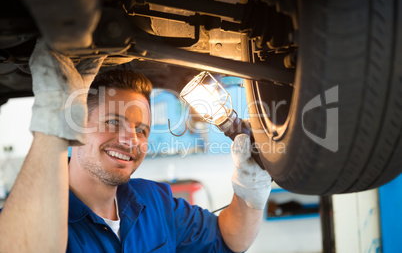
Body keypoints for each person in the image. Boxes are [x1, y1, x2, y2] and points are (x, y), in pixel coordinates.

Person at [0, 40, 271, 252]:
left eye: (141, 130)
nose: (130, 140)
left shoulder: (153, 202)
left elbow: (229, 239)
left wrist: (251, 190)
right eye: (113, 122)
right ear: (76, 123)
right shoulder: (28, 213)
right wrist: (51, 125)